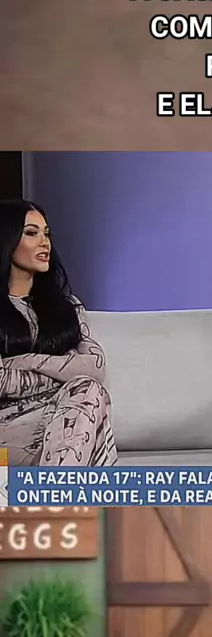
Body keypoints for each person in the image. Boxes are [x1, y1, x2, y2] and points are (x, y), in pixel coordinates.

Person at [0, 199, 117, 467]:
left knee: (87, 391)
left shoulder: (68, 307)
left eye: (47, 233)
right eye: (32, 233)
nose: (45, 243)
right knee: (87, 406)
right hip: (5, 438)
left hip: (58, 426)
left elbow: (95, 369)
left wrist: (27, 360)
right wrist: (64, 371)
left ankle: (57, 489)